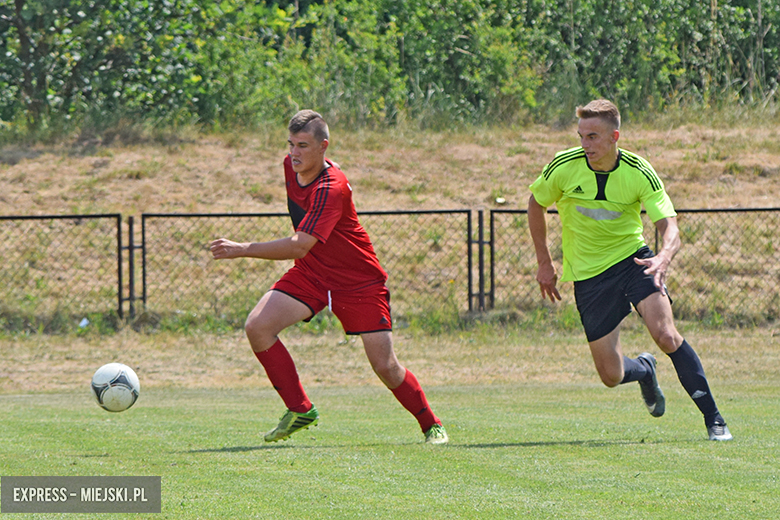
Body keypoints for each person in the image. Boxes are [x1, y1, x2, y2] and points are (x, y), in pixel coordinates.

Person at [209, 109, 448, 445]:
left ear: (324, 147)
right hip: (313, 274)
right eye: (291, 144)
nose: (294, 153)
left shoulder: (331, 188)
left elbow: (300, 245)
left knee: (385, 366)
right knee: (258, 327)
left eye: (303, 145)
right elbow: (305, 249)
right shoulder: (290, 168)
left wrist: (241, 248)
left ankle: (431, 424)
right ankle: (300, 409)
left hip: (358, 281)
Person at [527, 99, 732, 441]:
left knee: (665, 334)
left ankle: (715, 420)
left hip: (634, 263)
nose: (585, 144)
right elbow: (536, 203)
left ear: (614, 136)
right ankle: (645, 370)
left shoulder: (639, 171)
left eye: (593, 136)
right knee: (610, 374)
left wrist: (663, 257)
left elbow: (670, 227)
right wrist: (544, 262)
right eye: (581, 136)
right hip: (589, 276)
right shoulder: (563, 167)